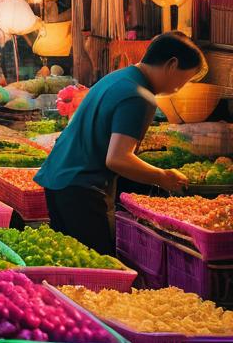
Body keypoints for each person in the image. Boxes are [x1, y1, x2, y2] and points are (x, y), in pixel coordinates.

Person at [34, 32, 204, 254]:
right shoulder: (140, 96)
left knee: (73, 264)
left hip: (58, 180)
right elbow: (118, 159)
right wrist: (163, 177)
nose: (180, 87)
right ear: (172, 64)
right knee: (100, 271)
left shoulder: (119, 78)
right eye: (185, 79)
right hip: (82, 188)